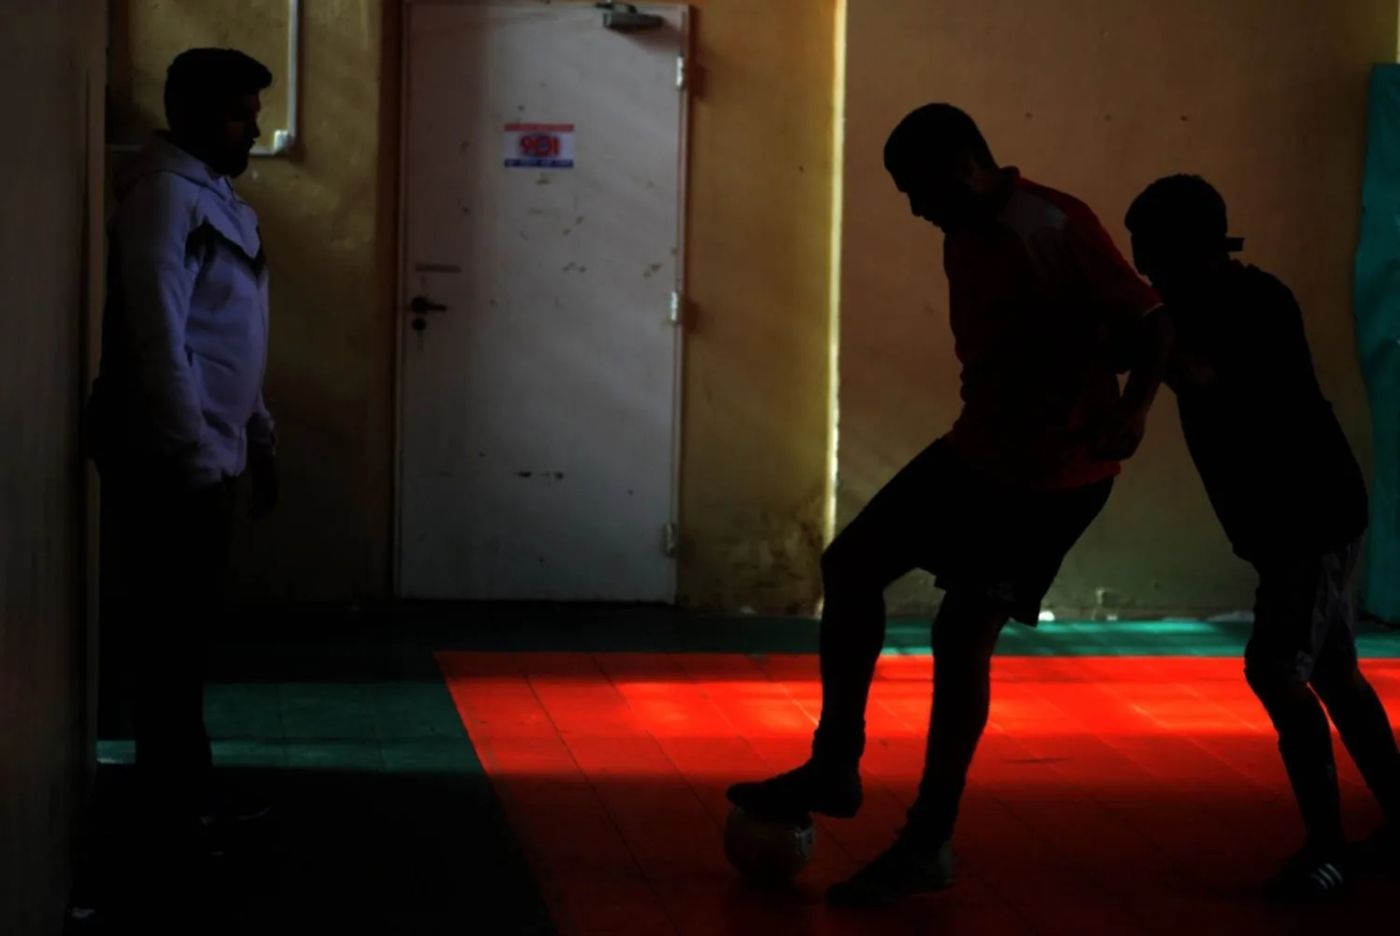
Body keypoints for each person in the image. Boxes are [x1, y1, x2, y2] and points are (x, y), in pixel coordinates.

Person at [727, 103, 1171, 906]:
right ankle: (835, 764)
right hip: (977, 452)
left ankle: (928, 843)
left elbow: (1152, 320)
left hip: (1052, 476)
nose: (912, 206)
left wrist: (1135, 409)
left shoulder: (1053, 222)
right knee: (851, 564)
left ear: (966, 165)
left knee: (959, 635)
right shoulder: (963, 227)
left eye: (916, 188)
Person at [1125, 174, 1400, 900]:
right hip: (1308, 515)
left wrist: (1151, 354)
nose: (1146, 273)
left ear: (1184, 253)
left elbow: (1213, 382)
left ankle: (1327, 848)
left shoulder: (1247, 304)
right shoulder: (1214, 301)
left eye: (1152, 259)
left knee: (1276, 670)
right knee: (1333, 672)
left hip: (1305, 518)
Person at [88, 47, 279, 849]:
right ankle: (172, 803)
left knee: (189, 635)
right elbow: (156, 337)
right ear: (194, 113)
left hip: (215, 448)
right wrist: (196, 452)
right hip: (175, 458)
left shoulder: (219, 200)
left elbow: (231, 331)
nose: (255, 127)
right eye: (240, 112)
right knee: (169, 639)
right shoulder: (165, 200)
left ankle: (186, 789)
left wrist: (257, 428)